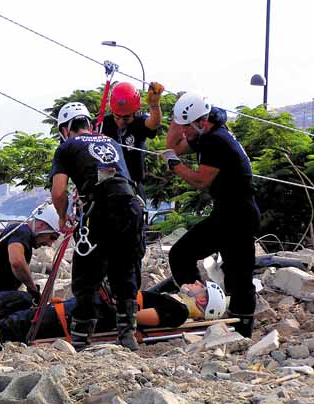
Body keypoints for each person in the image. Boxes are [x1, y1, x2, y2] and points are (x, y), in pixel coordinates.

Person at [160, 91, 261, 338]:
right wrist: (177, 113)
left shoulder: (216, 141)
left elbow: (199, 180)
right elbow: (172, 145)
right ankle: (209, 307)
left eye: (187, 128)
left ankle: (234, 326)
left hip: (237, 215)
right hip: (229, 212)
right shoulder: (207, 132)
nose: (185, 134)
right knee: (189, 257)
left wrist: (175, 165)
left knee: (237, 275)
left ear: (201, 122)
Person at [50, 102, 144, 351]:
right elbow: (114, 176)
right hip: (132, 208)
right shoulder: (111, 142)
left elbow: (58, 192)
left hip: (100, 210)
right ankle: (127, 335)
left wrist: (62, 216)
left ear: (66, 128)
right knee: (124, 271)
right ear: (88, 124)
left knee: (87, 275)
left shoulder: (66, 147)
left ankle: (81, 340)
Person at [0, 280, 228, 345]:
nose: (194, 288)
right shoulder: (172, 304)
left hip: (74, 319)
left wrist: (109, 297)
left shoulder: (173, 311)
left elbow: (129, 318)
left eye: (200, 291)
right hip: (76, 310)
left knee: (7, 328)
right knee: (8, 321)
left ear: (202, 303)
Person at [100, 81, 164, 200]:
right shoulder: (102, 124)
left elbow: (153, 124)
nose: (120, 122)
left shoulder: (139, 122)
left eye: (126, 118)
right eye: (117, 117)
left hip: (133, 185)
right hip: (106, 185)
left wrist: (154, 104)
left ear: (135, 112)